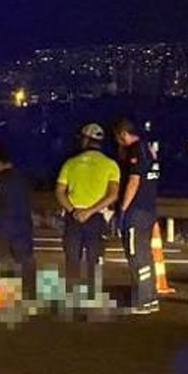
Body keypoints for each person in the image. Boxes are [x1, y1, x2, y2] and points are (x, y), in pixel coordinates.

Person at [55, 123, 120, 289]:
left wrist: (73, 211)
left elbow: (59, 192)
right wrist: (90, 211)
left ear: (85, 140)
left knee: (72, 259)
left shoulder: (70, 163)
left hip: (73, 217)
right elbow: (113, 194)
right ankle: (93, 293)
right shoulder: (110, 164)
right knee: (95, 259)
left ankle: (71, 293)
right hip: (97, 217)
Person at [113, 119, 160, 314]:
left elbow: (134, 180)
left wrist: (123, 209)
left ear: (123, 134)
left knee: (136, 257)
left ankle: (142, 300)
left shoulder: (135, 151)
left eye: (117, 137)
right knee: (145, 257)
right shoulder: (149, 150)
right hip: (149, 210)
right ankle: (150, 298)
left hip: (136, 212)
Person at [0, 159, 36, 282]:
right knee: (25, 259)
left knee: (0, 259)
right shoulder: (24, 178)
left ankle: (2, 289)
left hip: (0, 226)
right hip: (23, 225)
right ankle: (29, 287)